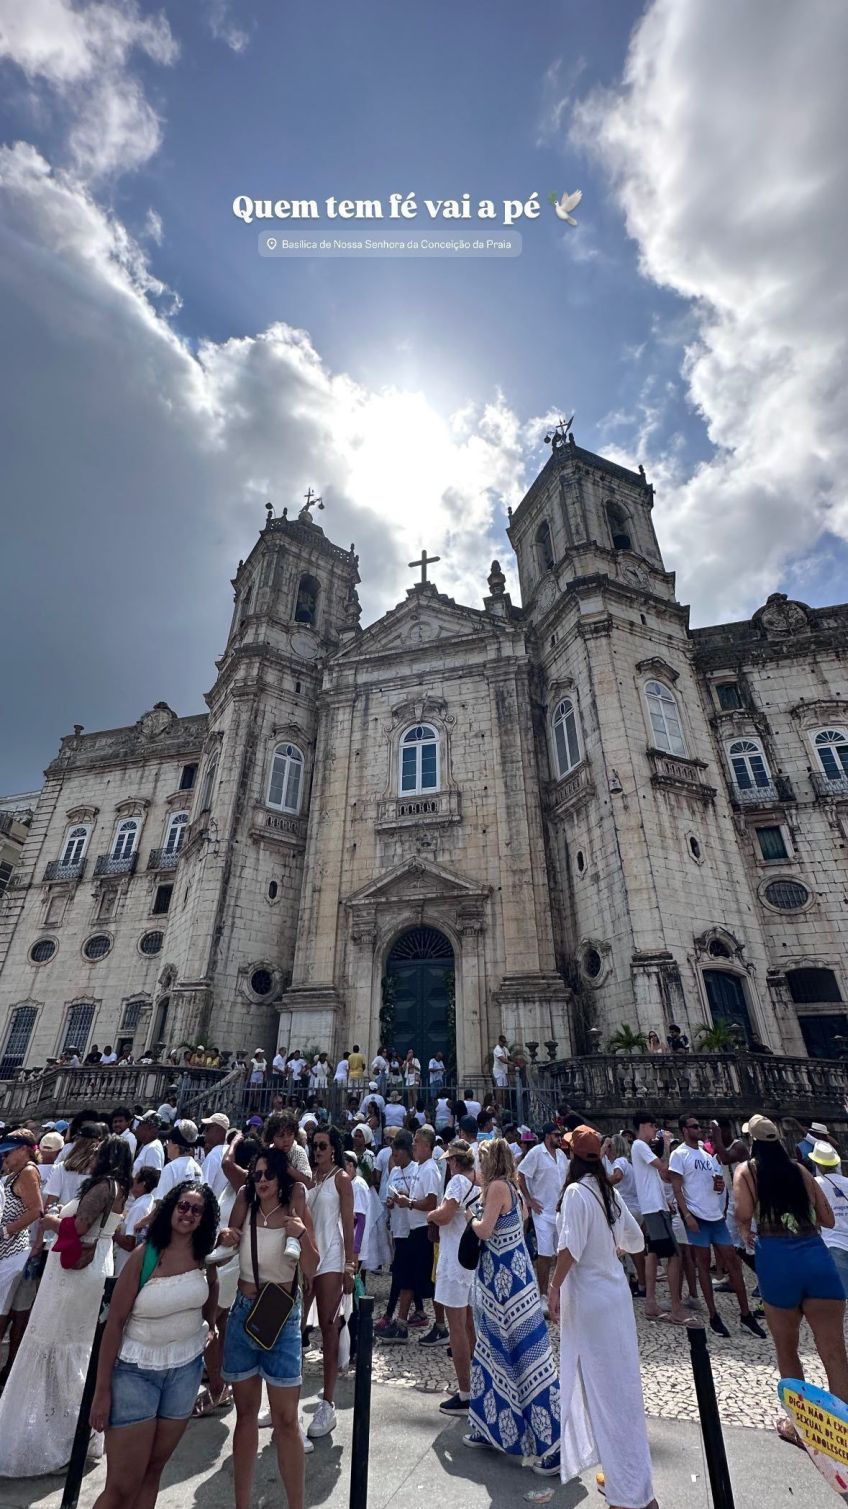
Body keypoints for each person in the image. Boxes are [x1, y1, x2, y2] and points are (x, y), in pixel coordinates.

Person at [0, 1135, 132, 1476]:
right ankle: (72, 1434)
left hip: (76, 1272)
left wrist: (50, 1221)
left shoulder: (104, 1185)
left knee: (55, 1344)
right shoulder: (118, 1187)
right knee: (74, 1348)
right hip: (94, 1264)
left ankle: (56, 1440)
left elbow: (80, 1226)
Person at [88, 1181, 220, 1508]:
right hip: (136, 1373)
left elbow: (211, 1292)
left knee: (152, 1472)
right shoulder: (143, 1257)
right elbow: (114, 1324)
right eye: (183, 1206)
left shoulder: (205, 1257)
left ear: (204, 1218)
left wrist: (212, 1325)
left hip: (184, 1372)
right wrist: (101, 1391)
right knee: (121, 1486)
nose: (188, 1214)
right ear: (171, 1208)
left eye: (196, 1209)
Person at [548, 1126, 656, 1509]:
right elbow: (636, 1241)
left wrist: (554, 1287)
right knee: (620, 1387)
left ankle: (628, 1493)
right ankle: (623, 1474)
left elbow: (569, 1251)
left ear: (572, 1158)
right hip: (615, 1298)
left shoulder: (577, 1193)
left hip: (590, 1302)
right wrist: (610, 1250)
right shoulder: (607, 1191)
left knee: (603, 1392)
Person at [734, 1114, 848, 1444]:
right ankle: (842, 1430)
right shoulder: (799, 1170)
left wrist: (749, 1223)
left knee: (788, 1350)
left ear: (753, 1143)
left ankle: (801, 1428)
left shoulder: (748, 1171)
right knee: (835, 1353)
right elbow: (826, 1218)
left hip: (777, 1261)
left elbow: (742, 1212)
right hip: (815, 1257)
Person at [219, 1146, 319, 1509]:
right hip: (245, 1311)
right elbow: (228, 1238)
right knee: (245, 1415)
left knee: (287, 1420)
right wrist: (227, 1236)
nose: (260, 1180)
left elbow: (311, 1266)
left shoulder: (294, 1210)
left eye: (267, 1174)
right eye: (256, 1175)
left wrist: (303, 1232)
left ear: (280, 1179)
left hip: (281, 1314)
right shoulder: (245, 1206)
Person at [463, 1138, 559, 1471]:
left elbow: (485, 1230)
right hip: (512, 1279)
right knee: (498, 1354)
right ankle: (488, 1428)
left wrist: (468, 1218)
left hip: (504, 1288)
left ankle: (551, 1442)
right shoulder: (513, 1188)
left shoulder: (497, 1189)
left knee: (516, 1358)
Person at [669, 1114, 764, 1338]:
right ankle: (713, 1315)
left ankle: (745, 1314)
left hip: (715, 1216)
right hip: (697, 1217)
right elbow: (676, 1187)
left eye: (699, 1126)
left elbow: (718, 1184)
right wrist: (687, 1215)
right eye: (694, 1127)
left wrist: (719, 1188)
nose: (699, 1130)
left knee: (733, 1263)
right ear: (684, 1129)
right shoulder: (678, 1154)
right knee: (702, 1265)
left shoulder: (708, 1155)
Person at [305, 1125, 354, 1437]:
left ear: (333, 1148)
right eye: (314, 1145)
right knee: (295, 1326)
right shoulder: (312, 1178)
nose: (318, 1150)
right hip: (309, 1256)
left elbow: (348, 1225)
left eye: (322, 1145)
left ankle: (328, 1401)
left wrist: (351, 1264)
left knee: (328, 1324)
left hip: (333, 1256)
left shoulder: (341, 1179)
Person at [427, 1139, 478, 1415]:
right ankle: (475, 1384)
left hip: (454, 1261)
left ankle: (465, 1392)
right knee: (469, 1325)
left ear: (454, 1162)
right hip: (470, 1261)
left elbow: (445, 1215)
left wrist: (431, 1214)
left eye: (449, 1161)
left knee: (457, 1329)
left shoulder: (457, 1182)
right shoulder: (479, 1182)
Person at [630, 1112, 690, 1324]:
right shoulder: (639, 1146)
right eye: (651, 1125)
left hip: (656, 1205)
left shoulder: (642, 1148)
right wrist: (666, 1145)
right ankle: (675, 1306)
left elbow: (661, 1175)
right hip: (653, 1208)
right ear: (642, 1126)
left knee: (653, 1254)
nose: (654, 1129)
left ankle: (650, 1303)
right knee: (674, 1255)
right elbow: (664, 1168)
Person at [0, 1131, 44, 1364]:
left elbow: (36, 1210)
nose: (4, 1156)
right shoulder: (16, 1172)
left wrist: (6, 1231)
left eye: (9, 1152)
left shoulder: (27, 1172)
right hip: (10, 1252)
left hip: (13, 1252)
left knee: (4, 1313)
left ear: (25, 1149)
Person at [517, 1122, 568, 1306]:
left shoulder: (562, 1155)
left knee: (560, 1253)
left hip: (559, 1212)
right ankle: (542, 1295)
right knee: (544, 1254)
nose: (559, 1138)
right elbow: (520, 1174)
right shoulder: (536, 1153)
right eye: (556, 1135)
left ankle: (559, 1292)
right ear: (547, 1136)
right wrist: (529, 1200)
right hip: (542, 1212)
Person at [810, 1139, 848, 1296]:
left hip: (832, 1242)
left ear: (817, 1164)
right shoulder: (847, 1182)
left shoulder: (815, 1183)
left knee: (840, 1296)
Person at [113, 1167, 160, 1275]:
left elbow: (130, 1244)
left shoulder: (139, 1207)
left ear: (143, 1184)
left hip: (126, 1265)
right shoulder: (148, 1201)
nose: (132, 1181)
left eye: (135, 1179)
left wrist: (111, 1232)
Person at [199, 1113, 231, 1202]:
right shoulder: (230, 1151)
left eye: (208, 1128)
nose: (204, 1132)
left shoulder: (214, 1155)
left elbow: (204, 1190)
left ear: (218, 1130)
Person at [132, 1114, 165, 1178]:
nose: (136, 1128)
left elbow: (152, 1181)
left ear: (148, 1128)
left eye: (139, 1125)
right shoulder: (148, 1145)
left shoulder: (153, 1149)